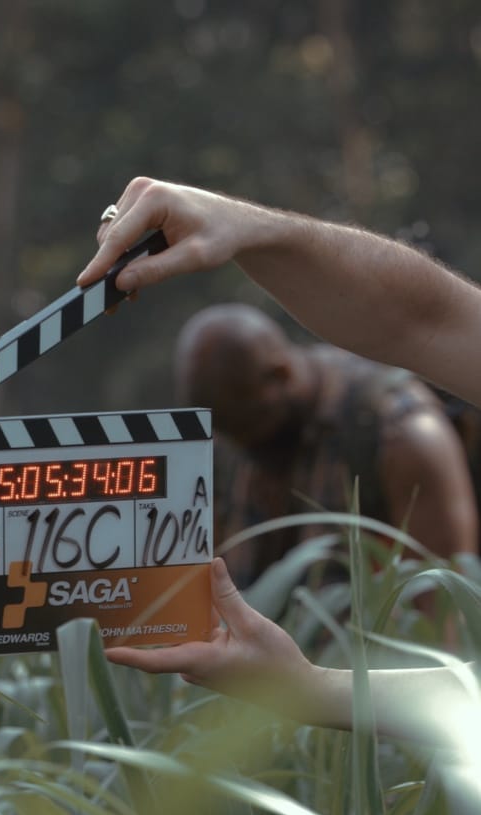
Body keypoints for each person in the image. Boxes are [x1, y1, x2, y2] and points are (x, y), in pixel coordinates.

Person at [81, 177, 481, 746]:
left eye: (257, 435)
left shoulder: (399, 430)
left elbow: (441, 622)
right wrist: (252, 230)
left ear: (279, 379)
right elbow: (427, 320)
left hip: (388, 754)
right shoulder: (246, 432)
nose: (252, 454)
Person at [174, 302, 476, 587]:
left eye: (249, 427)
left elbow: (440, 602)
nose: (244, 448)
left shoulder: (400, 431)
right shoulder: (237, 433)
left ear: (280, 375)